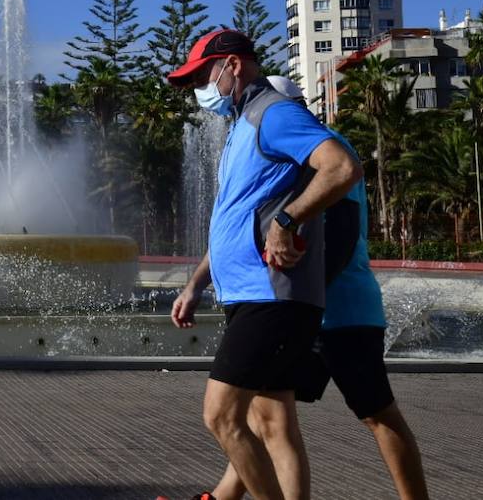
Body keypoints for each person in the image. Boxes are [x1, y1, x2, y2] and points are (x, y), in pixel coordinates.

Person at [173, 75, 429, 500]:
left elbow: (343, 235)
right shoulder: (273, 155)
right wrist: (199, 282)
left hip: (342, 313)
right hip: (295, 307)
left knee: (376, 413)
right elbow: (239, 228)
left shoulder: (322, 149)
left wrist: (301, 297)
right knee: (265, 418)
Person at [164, 29, 363, 500]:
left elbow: (341, 166)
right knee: (270, 422)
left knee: (220, 415)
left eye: (202, 75)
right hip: (251, 294)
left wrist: (289, 221)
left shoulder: (274, 113)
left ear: (232, 65)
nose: (199, 89)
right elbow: (236, 220)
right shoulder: (242, 125)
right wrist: (195, 284)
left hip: (271, 296)